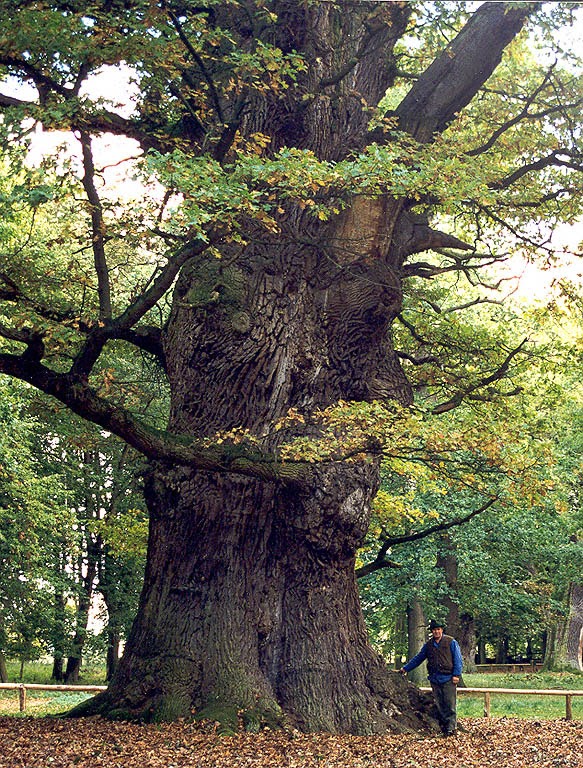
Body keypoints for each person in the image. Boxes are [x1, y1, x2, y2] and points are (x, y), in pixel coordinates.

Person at [399, 619, 463, 736]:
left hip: (448, 678)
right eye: (434, 630)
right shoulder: (428, 645)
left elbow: (458, 659)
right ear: (432, 632)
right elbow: (418, 658)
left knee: (450, 704)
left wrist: (456, 675)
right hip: (434, 678)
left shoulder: (451, 642)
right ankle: (444, 727)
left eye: (438, 629)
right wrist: (405, 669)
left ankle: (451, 728)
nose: (436, 632)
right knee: (439, 704)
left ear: (441, 630)